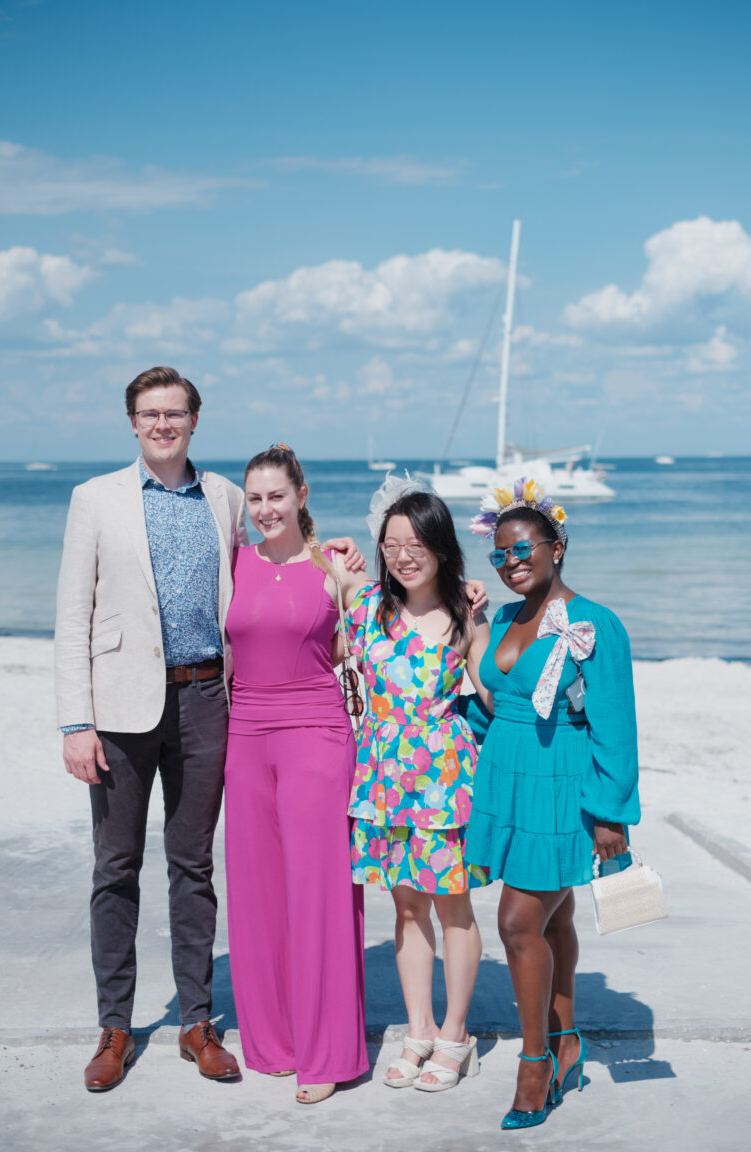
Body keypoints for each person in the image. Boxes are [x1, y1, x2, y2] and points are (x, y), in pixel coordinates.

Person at [55, 373, 362, 1092]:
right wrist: (76, 722)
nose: (162, 424)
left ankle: (197, 1021)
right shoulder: (94, 499)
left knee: (193, 866)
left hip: (208, 702)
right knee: (115, 866)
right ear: (133, 422)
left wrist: (338, 557)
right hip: (121, 708)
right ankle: (115, 1027)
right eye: (149, 413)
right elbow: (73, 617)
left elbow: (281, 568)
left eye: (175, 412)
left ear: (195, 419)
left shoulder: (225, 497)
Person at [465, 477, 641, 1131]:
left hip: (560, 785)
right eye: (500, 554)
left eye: (523, 549)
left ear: (556, 547)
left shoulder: (595, 624)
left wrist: (611, 814)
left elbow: (614, 725)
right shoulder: (504, 619)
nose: (511, 562)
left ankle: (534, 1064)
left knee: (517, 924)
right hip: (507, 780)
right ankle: (567, 1046)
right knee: (553, 921)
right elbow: (499, 705)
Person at [222, 444, 370, 1105]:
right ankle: (276, 1041)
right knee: (257, 890)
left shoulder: (335, 565)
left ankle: (327, 1052)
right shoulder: (233, 562)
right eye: (254, 499)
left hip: (316, 735)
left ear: (301, 496)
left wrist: (466, 598)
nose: (265, 509)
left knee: (318, 891)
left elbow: (392, 622)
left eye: (276, 496)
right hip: (245, 737)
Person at [345, 480, 491, 1093]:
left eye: (416, 544)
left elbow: (491, 692)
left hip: (444, 782)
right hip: (383, 778)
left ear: (440, 545)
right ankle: (419, 1030)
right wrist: (333, 549)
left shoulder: (465, 614)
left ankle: (456, 1035)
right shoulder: (365, 606)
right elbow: (306, 573)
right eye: (392, 544)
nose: (403, 556)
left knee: (453, 905)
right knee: (405, 908)